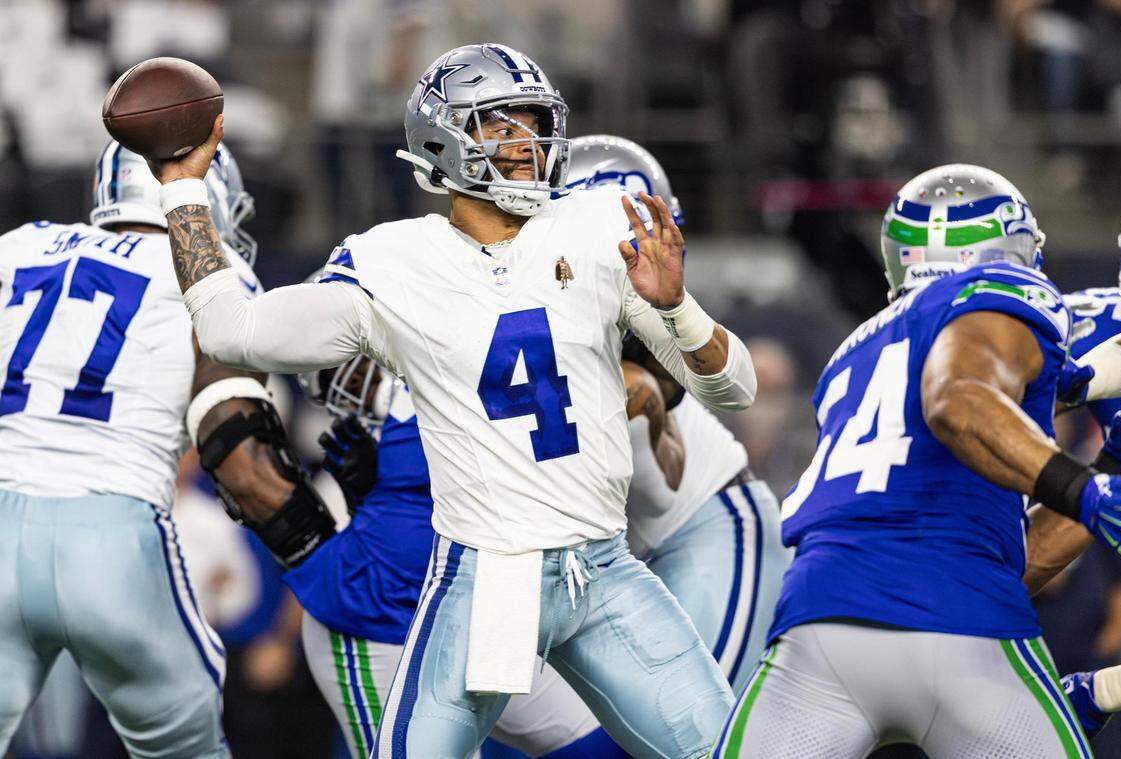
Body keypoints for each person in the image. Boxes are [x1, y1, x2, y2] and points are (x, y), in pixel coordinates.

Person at [148, 43, 755, 759]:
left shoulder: (591, 233)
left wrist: (678, 307)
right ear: (444, 139)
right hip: (486, 577)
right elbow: (230, 329)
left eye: (535, 122)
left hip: (602, 570)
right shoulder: (392, 262)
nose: (528, 143)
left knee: (732, 749)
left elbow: (734, 387)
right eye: (503, 125)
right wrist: (183, 191)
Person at [712, 164, 1121, 758]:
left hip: (818, 625)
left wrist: (1108, 461)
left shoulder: (855, 351)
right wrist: (1088, 491)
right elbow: (959, 404)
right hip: (966, 625)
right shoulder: (1010, 297)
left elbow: (1012, 556)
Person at [0, 141, 335, 758]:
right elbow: (238, 457)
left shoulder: (18, 247)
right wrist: (317, 546)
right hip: (113, 537)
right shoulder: (214, 276)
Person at [289, 309, 627, 759]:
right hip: (382, 617)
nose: (353, 395)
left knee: (603, 738)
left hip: (478, 610)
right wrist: (373, 494)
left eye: (346, 375)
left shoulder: (450, 354)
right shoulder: (400, 413)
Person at [566, 134, 793, 694]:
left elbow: (719, 396)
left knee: (697, 732)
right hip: (629, 558)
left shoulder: (647, 331)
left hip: (707, 530)